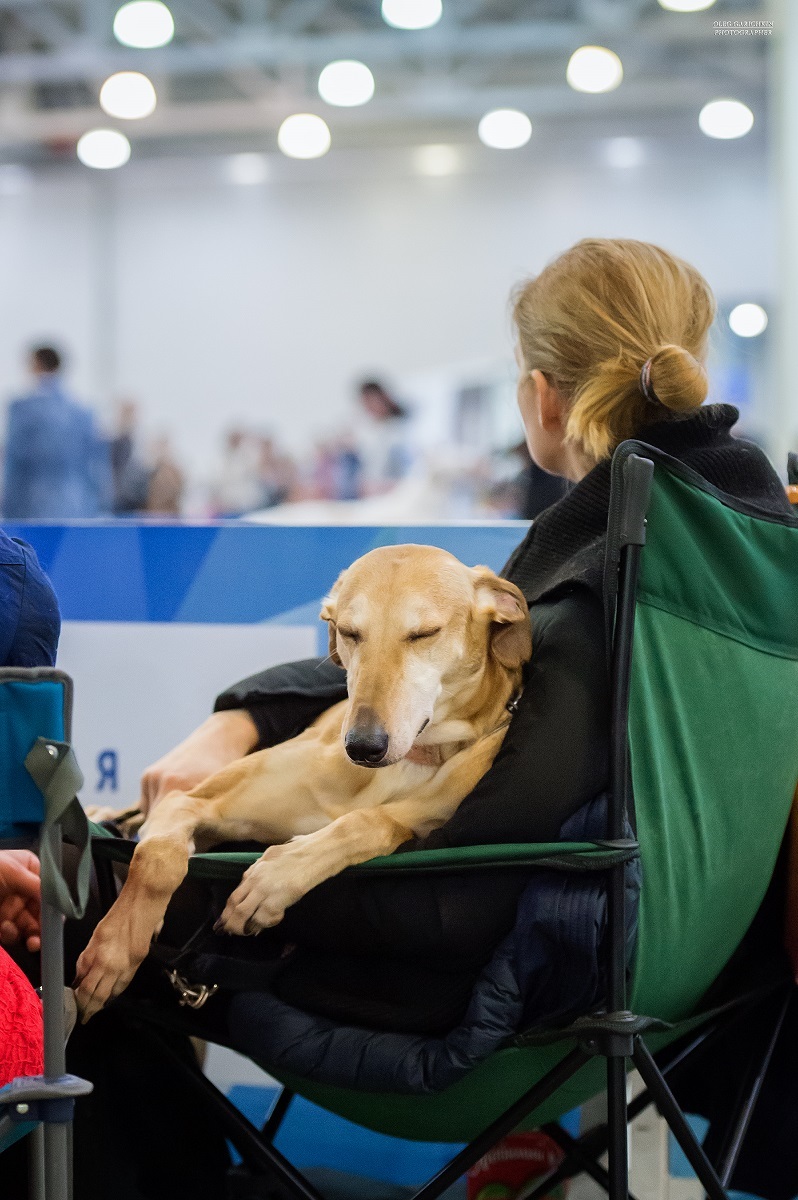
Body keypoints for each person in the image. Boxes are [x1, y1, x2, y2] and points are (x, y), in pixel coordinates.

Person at [2, 346, 111, 519]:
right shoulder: (83, 411)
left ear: (35, 365)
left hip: (30, 506)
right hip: (77, 506)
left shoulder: (23, 409)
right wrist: (100, 507)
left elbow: (14, 463)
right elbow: (97, 465)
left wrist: (7, 510)